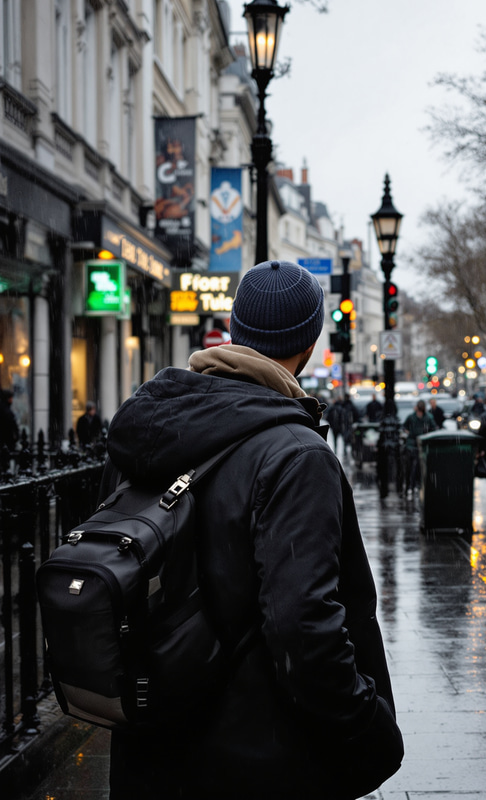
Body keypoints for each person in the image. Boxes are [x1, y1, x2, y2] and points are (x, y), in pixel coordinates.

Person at [99, 260, 403, 800]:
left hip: (150, 743)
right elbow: (303, 628)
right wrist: (368, 727)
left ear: (234, 332)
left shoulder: (148, 425)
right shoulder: (296, 455)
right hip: (255, 757)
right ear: (309, 343)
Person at [402, 398, 436, 494]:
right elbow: (404, 427)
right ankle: (412, 486)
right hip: (412, 445)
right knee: (412, 467)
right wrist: (408, 432)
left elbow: (433, 428)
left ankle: (415, 485)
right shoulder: (412, 417)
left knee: (417, 467)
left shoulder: (428, 417)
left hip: (422, 444)